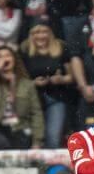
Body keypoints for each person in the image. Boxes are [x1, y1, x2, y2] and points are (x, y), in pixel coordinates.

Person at [21, 20, 74, 148]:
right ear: (31, 34)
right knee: (32, 138)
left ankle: (51, 168)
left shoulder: (61, 47)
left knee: (53, 137)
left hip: (56, 97)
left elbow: (71, 77)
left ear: (50, 33)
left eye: (44, 31)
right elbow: (20, 79)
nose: (41, 35)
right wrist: (33, 83)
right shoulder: (25, 49)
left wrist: (60, 79)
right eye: (37, 32)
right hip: (32, 100)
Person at [0, 45, 44, 149]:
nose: (4, 59)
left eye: (7, 55)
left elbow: (36, 113)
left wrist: (37, 141)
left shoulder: (27, 84)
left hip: (21, 128)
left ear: (14, 59)